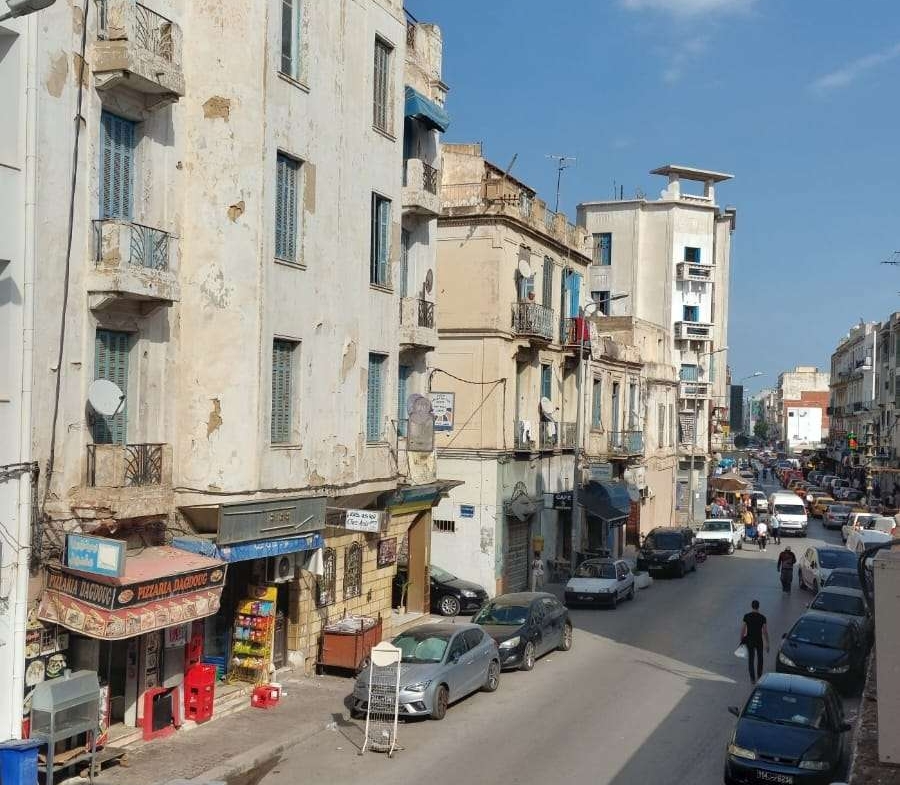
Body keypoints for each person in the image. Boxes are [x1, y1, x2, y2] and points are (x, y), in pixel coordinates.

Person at [741, 600, 770, 683]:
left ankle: (752, 678)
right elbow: (765, 631)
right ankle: (759, 675)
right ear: (758, 606)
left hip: (750, 640)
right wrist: (767, 643)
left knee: (751, 659)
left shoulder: (746, 616)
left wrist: (742, 639)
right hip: (759, 640)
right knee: (760, 658)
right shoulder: (762, 618)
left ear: (751, 606)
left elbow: (743, 629)